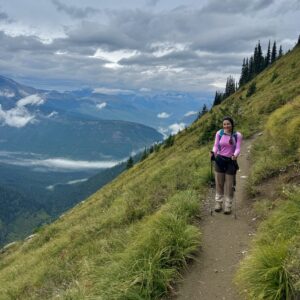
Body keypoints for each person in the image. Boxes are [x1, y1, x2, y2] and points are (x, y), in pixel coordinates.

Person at [210, 117, 242, 214]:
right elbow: (216, 145)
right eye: (224, 124)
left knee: (229, 185)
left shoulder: (237, 135)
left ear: (232, 124)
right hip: (219, 160)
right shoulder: (219, 133)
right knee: (219, 183)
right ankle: (218, 203)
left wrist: (235, 155)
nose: (226, 126)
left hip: (230, 161)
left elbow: (238, 148)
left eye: (228, 124)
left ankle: (228, 205)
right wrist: (213, 152)